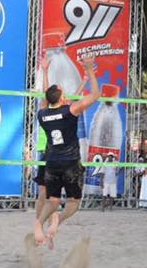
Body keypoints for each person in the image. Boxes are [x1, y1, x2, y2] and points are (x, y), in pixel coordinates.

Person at [35, 54, 99, 248]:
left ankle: (41, 223)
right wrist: (88, 70)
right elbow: (95, 95)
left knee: (51, 200)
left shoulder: (42, 113)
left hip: (51, 160)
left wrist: (45, 71)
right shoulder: (70, 111)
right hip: (69, 162)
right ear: (62, 98)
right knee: (69, 202)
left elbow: (46, 97)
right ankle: (55, 222)